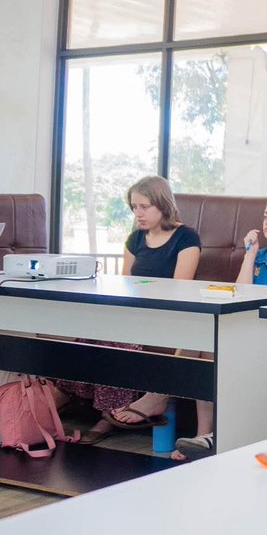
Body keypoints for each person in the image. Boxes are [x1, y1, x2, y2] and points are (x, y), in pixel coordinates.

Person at [166, 194, 267, 462]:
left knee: (213, 345)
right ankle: (203, 435)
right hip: (246, 328)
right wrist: (249, 255)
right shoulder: (259, 257)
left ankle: (207, 434)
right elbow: (240, 295)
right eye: (265, 216)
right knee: (201, 343)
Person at [61, 175, 201, 444]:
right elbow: (125, 283)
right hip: (135, 311)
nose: (138, 213)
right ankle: (78, 401)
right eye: (134, 207)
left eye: (144, 206)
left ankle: (106, 417)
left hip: (167, 314)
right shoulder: (135, 239)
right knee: (92, 331)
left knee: (117, 337)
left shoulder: (186, 237)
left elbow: (180, 289)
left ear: (163, 205)